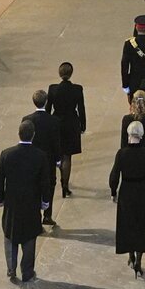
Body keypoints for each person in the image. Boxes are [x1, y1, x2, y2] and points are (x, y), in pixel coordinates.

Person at [0, 120, 51, 283]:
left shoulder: (6, 154)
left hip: (12, 203)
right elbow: (45, 182)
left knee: (10, 234)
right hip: (31, 203)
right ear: (33, 135)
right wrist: (45, 201)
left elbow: (0, 179)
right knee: (29, 237)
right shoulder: (40, 156)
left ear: (19, 134)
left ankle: (11, 269)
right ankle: (27, 272)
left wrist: (0, 199)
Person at [109, 121, 145, 278]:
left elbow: (114, 175)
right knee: (142, 225)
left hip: (127, 192)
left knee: (127, 224)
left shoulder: (122, 153)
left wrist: (113, 191)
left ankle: (130, 255)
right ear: (142, 135)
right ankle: (138, 260)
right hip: (142, 191)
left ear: (128, 135)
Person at [22, 90, 62, 227]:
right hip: (48, 160)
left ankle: (35, 216)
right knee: (49, 185)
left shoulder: (27, 119)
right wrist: (58, 159)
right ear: (46, 102)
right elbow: (56, 142)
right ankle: (47, 215)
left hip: (31, 159)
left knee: (34, 186)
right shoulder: (54, 121)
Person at [47, 62, 86, 200]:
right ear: (71, 74)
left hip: (56, 122)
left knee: (58, 152)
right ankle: (65, 185)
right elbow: (81, 108)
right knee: (67, 155)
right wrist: (83, 126)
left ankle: (61, 175)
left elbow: (48, 108)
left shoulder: (52, 89)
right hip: (71, 123)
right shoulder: (77, 89)